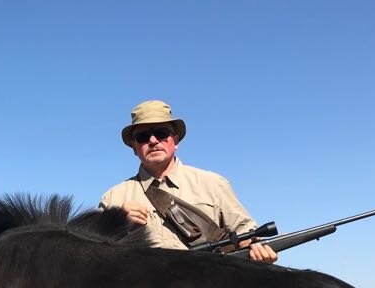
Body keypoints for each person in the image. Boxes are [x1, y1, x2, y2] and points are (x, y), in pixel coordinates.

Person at [99, 100, 278, 263]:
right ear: (134, 147)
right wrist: (116, 222)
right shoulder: (113, 198)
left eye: (161, 134)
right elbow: (96, 257)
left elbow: (245, 234)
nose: (153, 141)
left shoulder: (213, 183)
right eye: (143, 137)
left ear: (175, 141)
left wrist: (259, 250)